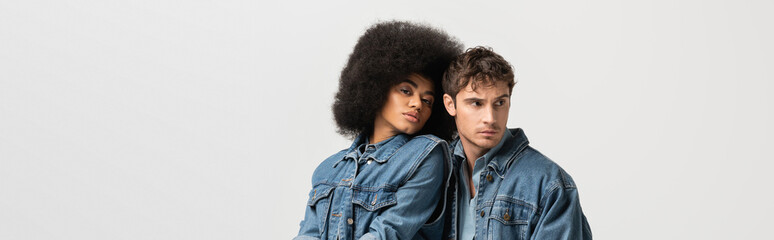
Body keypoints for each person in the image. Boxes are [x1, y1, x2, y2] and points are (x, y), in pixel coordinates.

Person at [294, 21, 462, 240]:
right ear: (377, 88)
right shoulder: (328, 170)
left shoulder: (427, 154)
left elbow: (389, 232)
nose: (417, 104)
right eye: (405, 91)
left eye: (427, 100)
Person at [440, 47, 592, 239]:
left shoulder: (549, 184)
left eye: (499, 103)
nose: (490, 118)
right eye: (476, 103)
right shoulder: (436, 170)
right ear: (450, 104)